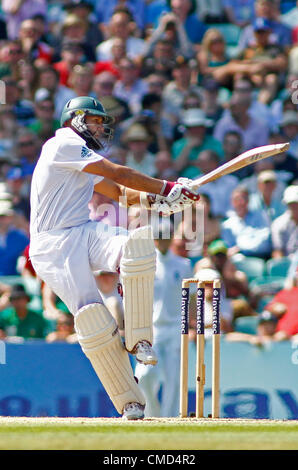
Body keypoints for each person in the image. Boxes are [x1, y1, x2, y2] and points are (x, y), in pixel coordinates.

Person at [28, 95, 200, 420]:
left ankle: (139, 340)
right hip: (53, 246)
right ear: (76, 118)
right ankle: (130, 401)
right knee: (93, 320)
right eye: (95, 120)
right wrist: (166, 187)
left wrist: (159, 200)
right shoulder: (61, 144)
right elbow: (117, 172)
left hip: (82, 230)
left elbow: (119, 192)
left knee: (135, 246)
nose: (100, 127)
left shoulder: (81, 156)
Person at [135, 223, 193, 417]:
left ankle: (170, 418)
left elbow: (191, 298)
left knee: (174, 378)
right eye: (159, 236)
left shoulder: (183, 265)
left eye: (166, 236)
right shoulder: (146, 264)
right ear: (153, 239)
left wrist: (191, 325)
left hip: (176, 327)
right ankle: (152, 414)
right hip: (152, 328)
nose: (162, 240)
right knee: (144, 375)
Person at [221, 185, 272, 259]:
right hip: (236, 260)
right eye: (236, 199)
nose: (240, 203)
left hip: (259, 258)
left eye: (243, 199)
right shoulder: (227, 225)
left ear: (248, 200)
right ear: (231, 202)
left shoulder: (261, 217)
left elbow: (264, 245)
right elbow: (228, 248)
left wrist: (240, 248)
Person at [271, 184, 298, 258]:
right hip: (287, 264)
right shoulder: (278, 224)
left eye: (297, 203)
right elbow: (277, 251)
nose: (294, 206)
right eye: (291, 204)